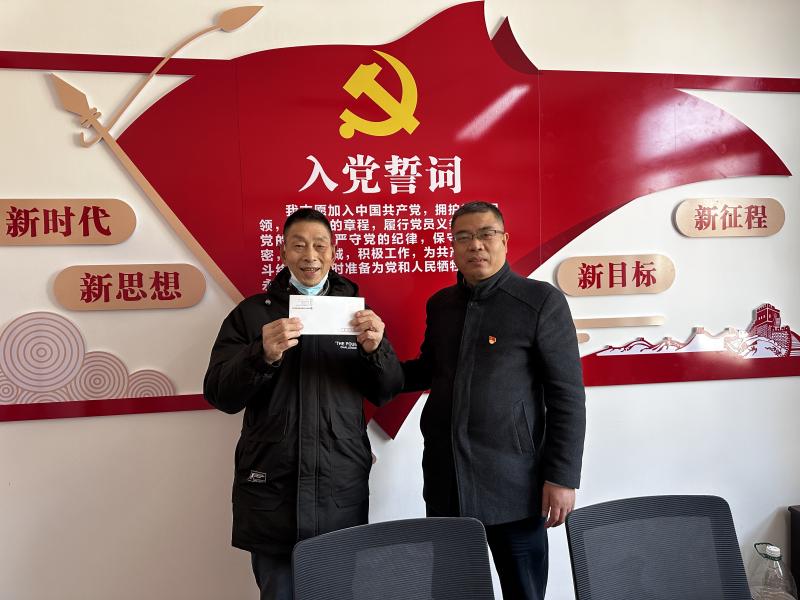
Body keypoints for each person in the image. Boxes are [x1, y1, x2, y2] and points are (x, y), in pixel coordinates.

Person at [203, 208, 403, 600]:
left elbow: (388, 390)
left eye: (319, 245)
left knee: (338, 592)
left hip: (338, 487)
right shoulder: (252, 314)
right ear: (282, 252)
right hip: (272, 486)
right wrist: (260, 354)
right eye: (298, 245)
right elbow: (219, 394)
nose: (310, 255)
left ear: (333, 252)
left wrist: (376, 350)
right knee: (279, 591)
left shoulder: (356, 315)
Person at [402, 201, 586, 600]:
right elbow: (427, 370)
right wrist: (371, 358)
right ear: (453, 246)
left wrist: (562, 477)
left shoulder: (539, 302)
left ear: (504, 240)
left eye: (486, 234)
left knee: (524, 592)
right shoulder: (441, 305)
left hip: (515, 487)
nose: (476, 245)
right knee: (453, 592)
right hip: (447, 483)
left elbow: (567, 396)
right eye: (464, 237)